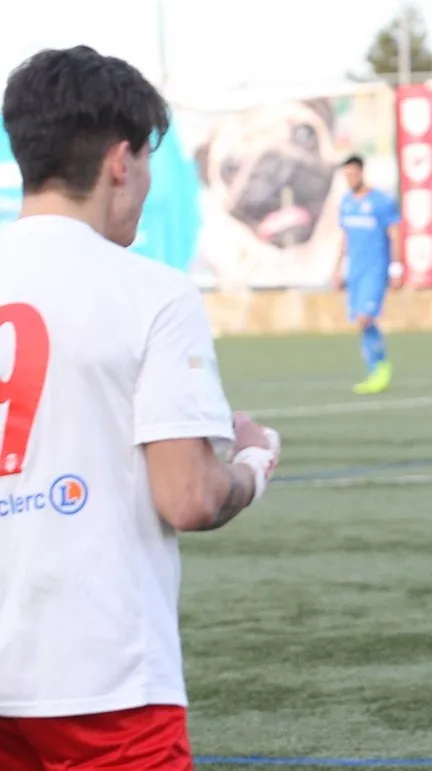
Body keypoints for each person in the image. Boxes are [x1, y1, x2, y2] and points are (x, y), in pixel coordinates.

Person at [0, 46, 283, 770]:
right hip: (101, 678)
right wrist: (250, 461)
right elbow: (188, 495)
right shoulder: (150, 291)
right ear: (122, 160)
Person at [330, 154, 402, 395]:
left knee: (365, 318)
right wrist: (338, 268)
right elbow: (345, 239)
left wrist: (395, 267)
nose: (350, 178)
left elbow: (394, 233)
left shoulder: (380, 201)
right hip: (356, 271)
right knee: (361, 323)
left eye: (353, 173)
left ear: (361, 172)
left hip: (375, 269)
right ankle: (375, 370)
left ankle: (380, 367)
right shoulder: (346, 203)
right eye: (346, 175)